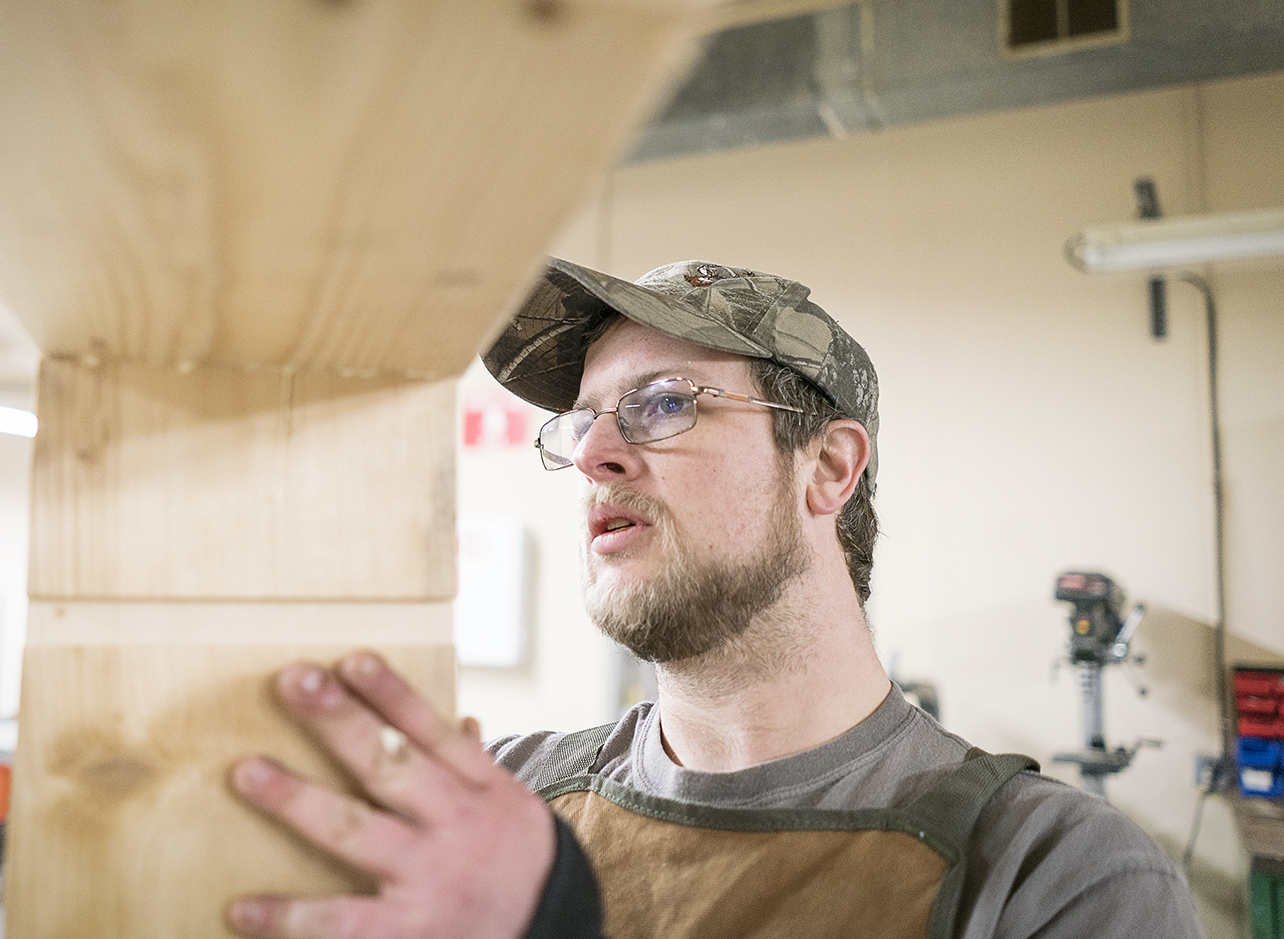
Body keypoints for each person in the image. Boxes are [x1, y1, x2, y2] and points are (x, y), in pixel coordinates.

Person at [222, 259, 1205, 939]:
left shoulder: (1054, 873)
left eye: (665, 402)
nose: (597, 453)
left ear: (827, 466)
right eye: (583, 422)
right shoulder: (507, 799)